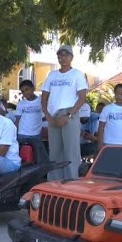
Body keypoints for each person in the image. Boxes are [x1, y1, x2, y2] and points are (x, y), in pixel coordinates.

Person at [41, 44, 89, 180]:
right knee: (55, 151)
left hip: (70, 113)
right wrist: (48, 117)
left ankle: (72, 181)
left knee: (71, 150)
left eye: (66, 55)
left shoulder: (77, 74)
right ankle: (55, 181)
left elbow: (82, 98)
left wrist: (68, 115)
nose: (63, 57)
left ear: (71, 57)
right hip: (53, 115)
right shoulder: (52, 75)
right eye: (60, 55)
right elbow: (44, 97)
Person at [15, 79, 48, 164]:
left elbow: (46, 115)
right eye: (23, 91)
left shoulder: (41, 101)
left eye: (27, 89)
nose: (25, 93)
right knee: (21, 158)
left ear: (33, 88)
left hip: (36, 135)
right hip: (22, 134)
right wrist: (14, 135)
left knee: (39, 159)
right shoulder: (21, 104)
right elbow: (17, 120)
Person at [97, 83, 122, 150]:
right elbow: (101, 128)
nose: (119, 96)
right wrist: (100, 144)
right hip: (108, 144)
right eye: (117, 94)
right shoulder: (107, 109)